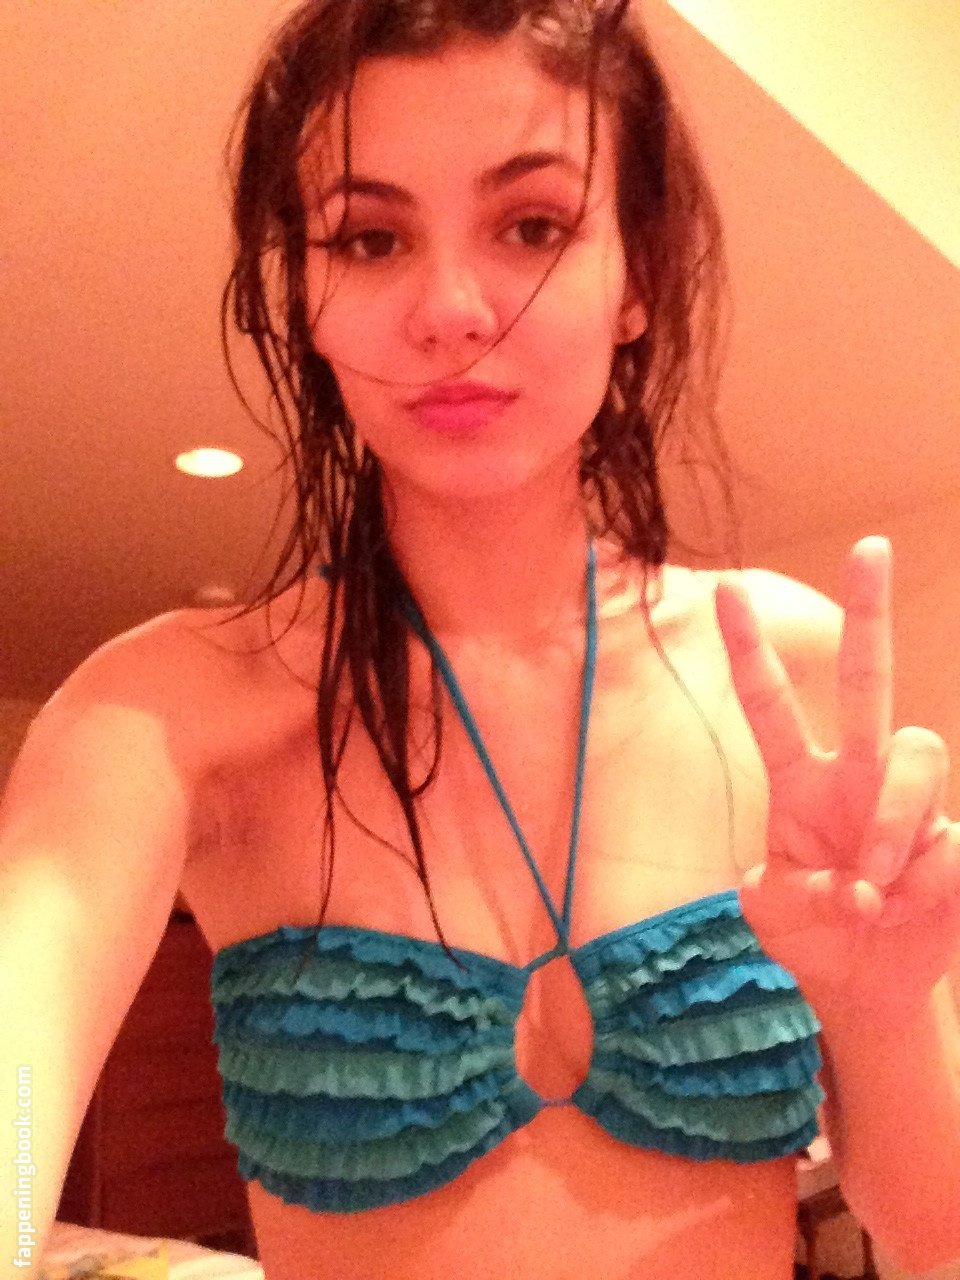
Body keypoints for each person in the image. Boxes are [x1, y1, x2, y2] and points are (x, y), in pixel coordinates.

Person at [3, 1, 959, 1276]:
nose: (452, 309)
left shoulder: (780, 670)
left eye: (532, 225)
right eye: (371, 237)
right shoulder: (164, 713)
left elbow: (936, 1231)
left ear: (638, 276)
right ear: (303, 294)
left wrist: (883, 1010)